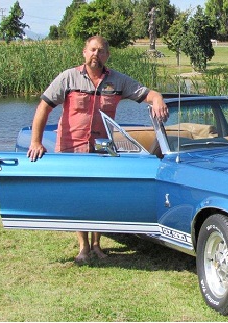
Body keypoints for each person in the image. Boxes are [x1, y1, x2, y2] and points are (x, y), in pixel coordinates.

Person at [27, 35, 169, 263]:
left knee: (99, 195)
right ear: (85, 52)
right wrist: (36, 141)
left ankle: (97, 245)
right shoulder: (68, 78)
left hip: (102, 149)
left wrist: (158, 99)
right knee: (78, 197)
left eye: (101, 51)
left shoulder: (118, 81)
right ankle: (83, 247)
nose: (96, 54)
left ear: (107, 55)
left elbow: (148, 94)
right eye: (93, 50)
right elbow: (44, 107)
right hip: (71, 147)